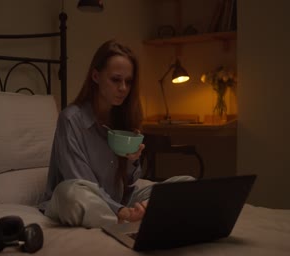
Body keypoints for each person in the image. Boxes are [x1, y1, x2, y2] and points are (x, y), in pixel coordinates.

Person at [39, 39, 194, 228]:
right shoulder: (71, 119)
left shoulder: (123, 117)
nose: (123, 89)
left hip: (119, 200)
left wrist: (131, 160)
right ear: (96, 76)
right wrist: (120, 210)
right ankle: (127, 219)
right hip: (82, 199)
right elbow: (80, 180)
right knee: (69, 192)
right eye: (115, 80)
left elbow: (129, 183)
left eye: (128, 82)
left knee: (187, 183)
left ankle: (136, 214)